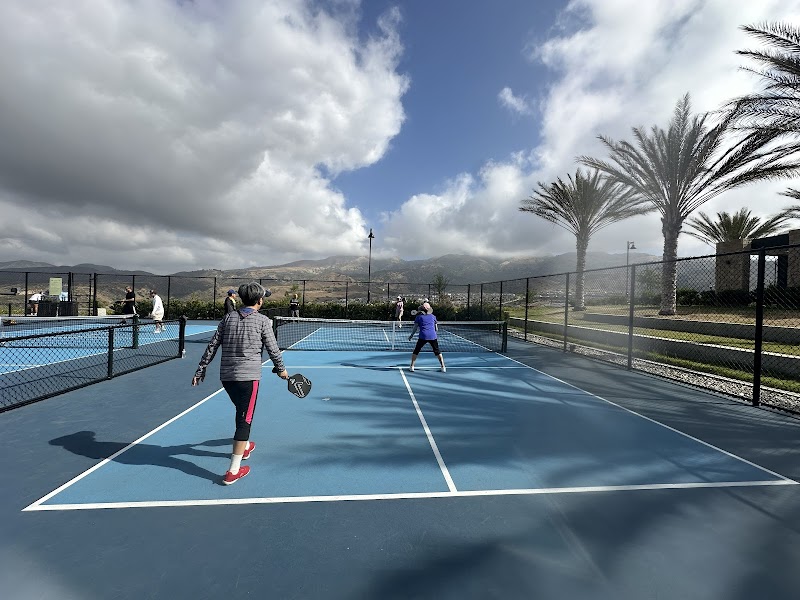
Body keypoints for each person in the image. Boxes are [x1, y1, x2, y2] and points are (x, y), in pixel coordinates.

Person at [192, 281, 289, 486]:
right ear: (260, 301)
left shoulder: (228, 318)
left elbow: (212, 345)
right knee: (245, 420)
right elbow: (273, 349)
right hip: (248, 378)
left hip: (227, 378)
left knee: (241, 410)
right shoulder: (263, 321)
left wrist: (201, 369)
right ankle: (232, 471)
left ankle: (243, 447)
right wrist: (281, 369)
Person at [408, 304, 446, 373]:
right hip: (432, 336)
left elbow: (415, 328)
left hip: (423, 336)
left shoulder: (418, 317)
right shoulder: (433, 317)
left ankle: (412, 366)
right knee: (437, 351)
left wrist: (411, 335)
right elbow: (436, 329)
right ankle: (443, 367)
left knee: (416, 351)